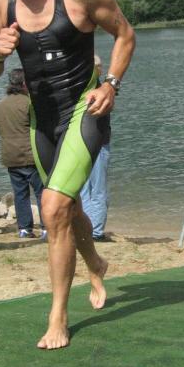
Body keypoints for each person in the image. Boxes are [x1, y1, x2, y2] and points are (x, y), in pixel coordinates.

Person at [0, 0, 135, 350]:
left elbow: (125, 35)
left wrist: (111, 84)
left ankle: (58, 317)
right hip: (41, 120)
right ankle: (95, 264)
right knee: (65, 208)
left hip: (85, 108)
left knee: (52, 206)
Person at [0, 68, 45, 238]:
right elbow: (41, 128)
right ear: (24, 83)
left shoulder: (0, 105)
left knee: (20, 194)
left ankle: (24, 228)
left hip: (11, 156)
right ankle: (47, 227)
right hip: (31, 156)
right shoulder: (30, 103)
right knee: (41, 192)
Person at [79, 55, 111, 241]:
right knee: (97, 189)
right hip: (97, 144)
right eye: (100, 67)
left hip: (82, 144)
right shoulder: (100, 91)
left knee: (85, 188)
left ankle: (87, 228)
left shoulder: (81, 89)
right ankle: (96, 231)